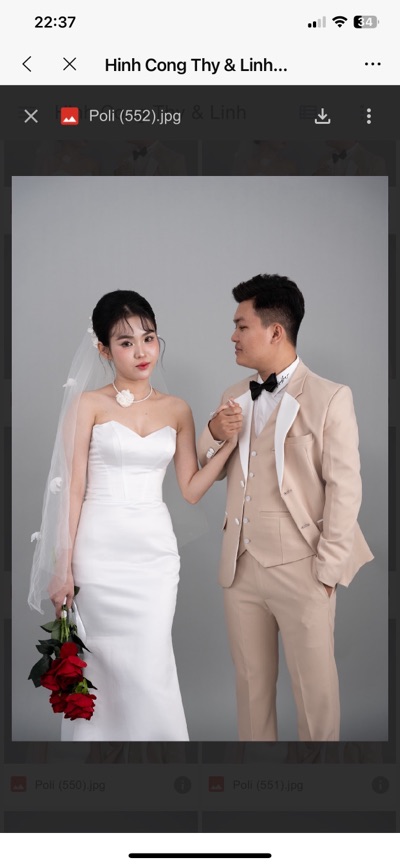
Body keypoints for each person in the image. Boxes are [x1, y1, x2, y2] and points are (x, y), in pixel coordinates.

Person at [29, 290, 237, 741]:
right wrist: (62, 568)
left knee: (150, 663)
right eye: (126, 342)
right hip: (98, 552)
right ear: (104, 350)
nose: (142, 351)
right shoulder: (88, 404)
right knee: (100, 664)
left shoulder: (177, 409)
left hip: (153, 556)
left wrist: (228, 443)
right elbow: (73, 490)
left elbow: (191, 489)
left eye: (149, 337)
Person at [197, 274, 373, 741]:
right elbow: (205, 470)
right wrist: (213, 432)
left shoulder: (330, 397)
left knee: (315, 694)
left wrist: (327, 571)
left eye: (241, 326)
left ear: (275, 331)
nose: (232, 336)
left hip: (303, 567)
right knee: (251, 689)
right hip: (240, 567)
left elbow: (345, 489)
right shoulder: (233, 396)